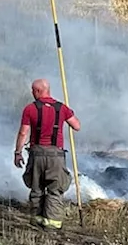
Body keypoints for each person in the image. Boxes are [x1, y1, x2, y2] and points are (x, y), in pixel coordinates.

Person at [14, 79, 81, 229]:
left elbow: (23, 132)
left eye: (33, 91)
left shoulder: (30, 109)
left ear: (38, 91)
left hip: (36, 154)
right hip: (56, 156)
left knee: (36, 187)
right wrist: (70, 113)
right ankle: (52, 224)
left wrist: (18, 153)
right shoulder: (62, 108)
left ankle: (37, 220)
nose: (32, 93)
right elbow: (77, 126)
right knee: (55, 189)